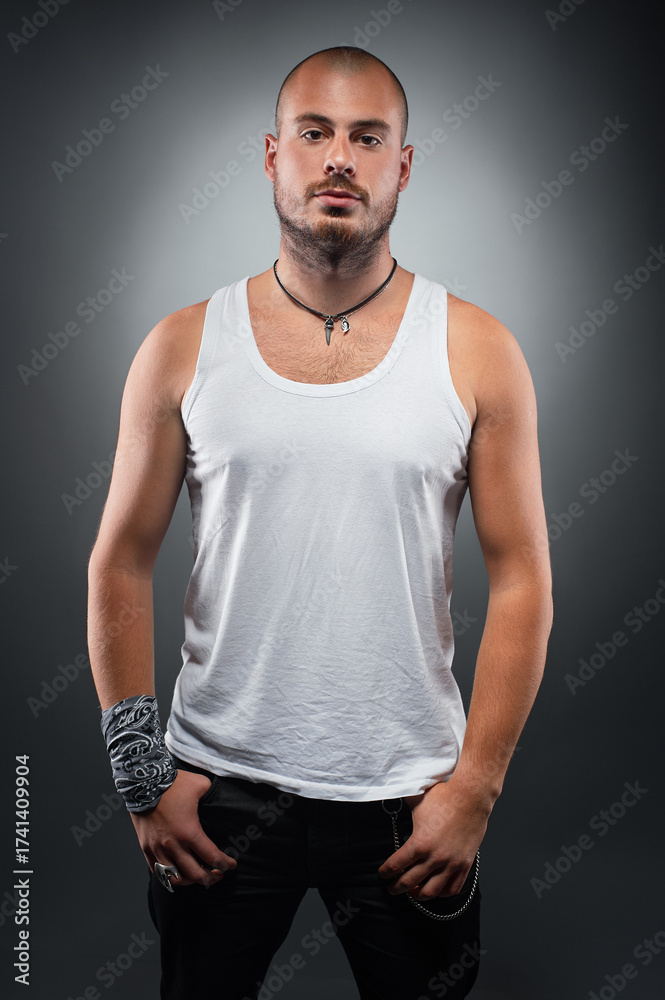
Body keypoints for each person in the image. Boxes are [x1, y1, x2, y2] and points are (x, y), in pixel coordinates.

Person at [87, 46, 553, 1000]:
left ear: (402, 166)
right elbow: (118, 564)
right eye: (315, 133)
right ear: (272, 156)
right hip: (216, 794)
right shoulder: (182, 344)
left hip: (407, 804)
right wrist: (142, 779)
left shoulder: (475, 348)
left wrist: (473, 791)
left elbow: (523, 581)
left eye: (366, 137)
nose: (339, 158)